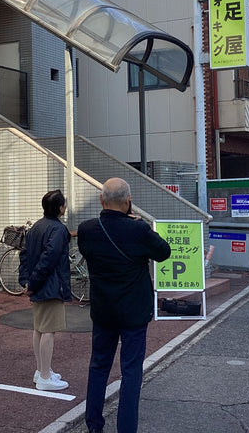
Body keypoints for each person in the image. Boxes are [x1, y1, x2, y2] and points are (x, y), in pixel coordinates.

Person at [77, 178, 171, 433]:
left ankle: (94, 425)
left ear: (101, 200)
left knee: (98, 366)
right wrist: (142, 227)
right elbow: (164, 252)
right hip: (133, 312)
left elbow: (89, 252)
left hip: (103, 310)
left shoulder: (86, 230)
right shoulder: (138, 231)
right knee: (131, 373)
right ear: (128, 202)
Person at [19, 189, 71, 391]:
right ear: (60, 208)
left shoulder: (36, 227)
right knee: (48, 330)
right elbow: (49, 259)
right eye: (64, 204)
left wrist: (26, 281)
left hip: (38, 285)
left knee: (39, 329)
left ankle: (41, 370)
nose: (65, 206)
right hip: (50, 286)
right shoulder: (57, 229)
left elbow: (24, 255)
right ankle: (45, 376)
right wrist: (33, 283)